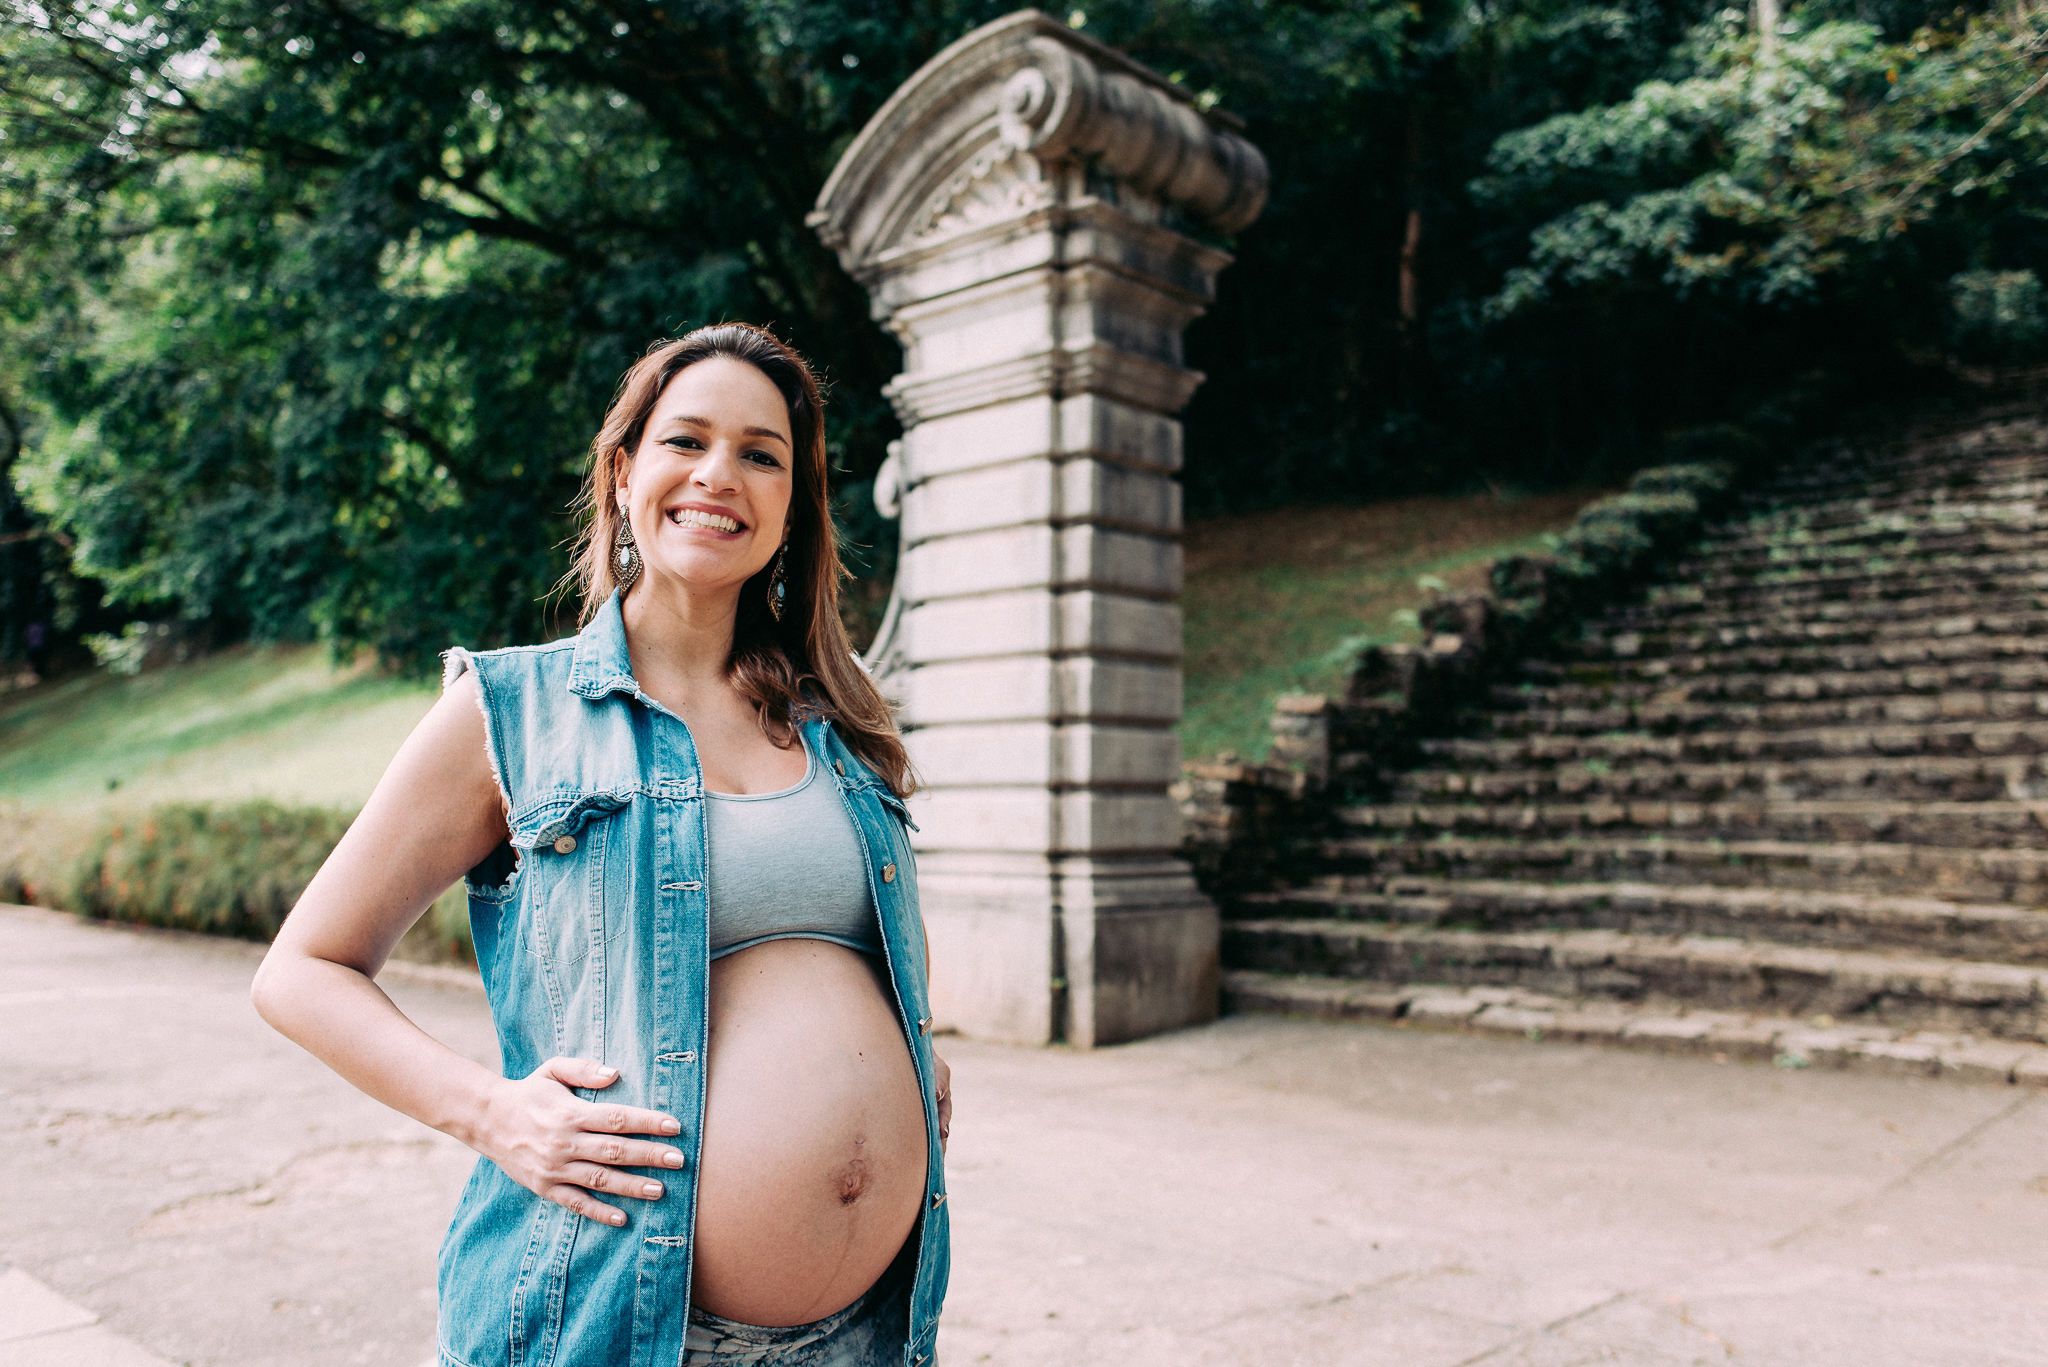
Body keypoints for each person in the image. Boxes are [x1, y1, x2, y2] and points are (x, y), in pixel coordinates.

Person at [252, 323, 951, 1367]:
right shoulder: (511, 710)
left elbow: (863, 942)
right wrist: (492, 1112)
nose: (720, 474)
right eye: (687, 441)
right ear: (624, 473)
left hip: (863, 1333)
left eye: (761, 455)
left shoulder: (835, 724)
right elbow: (302, 971)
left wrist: (909, 1054)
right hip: (609, 1319)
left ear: (792, 506)